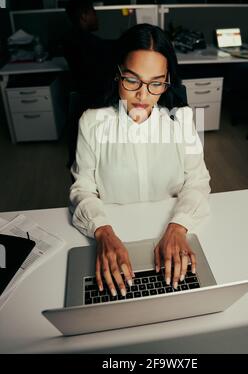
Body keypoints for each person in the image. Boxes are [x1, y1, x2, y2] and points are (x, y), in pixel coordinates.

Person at [69, 23, 211, 298]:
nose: (143, 95)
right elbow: (82, 188)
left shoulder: (180, 119)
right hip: (116, 233)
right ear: (118, 73)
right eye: (132, 80)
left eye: (156, 83)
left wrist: (178, 227)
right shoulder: (92, 122)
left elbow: (198, 180)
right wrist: (103, 233)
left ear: (167, 80)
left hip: (169, 233)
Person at [63, 0, 115, 106]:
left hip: (85, 97)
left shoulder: (68, 40)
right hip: (101, 99)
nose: (96, 17)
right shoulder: (93, 44)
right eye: (93, 13)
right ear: (84, 16)